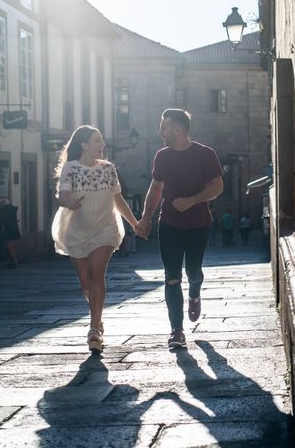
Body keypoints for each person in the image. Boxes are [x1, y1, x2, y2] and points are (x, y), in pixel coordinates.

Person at [136, 109, 223, 348]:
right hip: (170, 225)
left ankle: (195, 291)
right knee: (172, 277)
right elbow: (155, 189)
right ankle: (176, 330)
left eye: (163, 127)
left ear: (177, 129)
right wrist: (145, 218)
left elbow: (217, 187)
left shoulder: (205, 154)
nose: (160, 132)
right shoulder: (161, 157)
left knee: (193, 271)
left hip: (198, 224)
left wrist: (192, 200)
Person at [51, 125, 139, 353]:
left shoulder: (108, 169)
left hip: (105, 228)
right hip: (77, 230)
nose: (103, 145)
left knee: (97, 273)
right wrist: (68, 201)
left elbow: (117, 199)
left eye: (102, 140)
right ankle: (97, 318)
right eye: (97, 140)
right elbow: (62, 195)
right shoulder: (71, 168)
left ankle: (94, 330)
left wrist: (135, 223)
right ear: (84, 145)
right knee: (85, 282)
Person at [0, 198, 21, 268]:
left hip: (10, 232)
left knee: (10, 247)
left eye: (0, 204)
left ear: (3, 204)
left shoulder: (6, 211)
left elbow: (6, 222)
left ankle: (14, 262)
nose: (0, 206)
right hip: (15, 231)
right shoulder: (12, 210)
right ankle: (13, 261)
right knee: (12, 247)